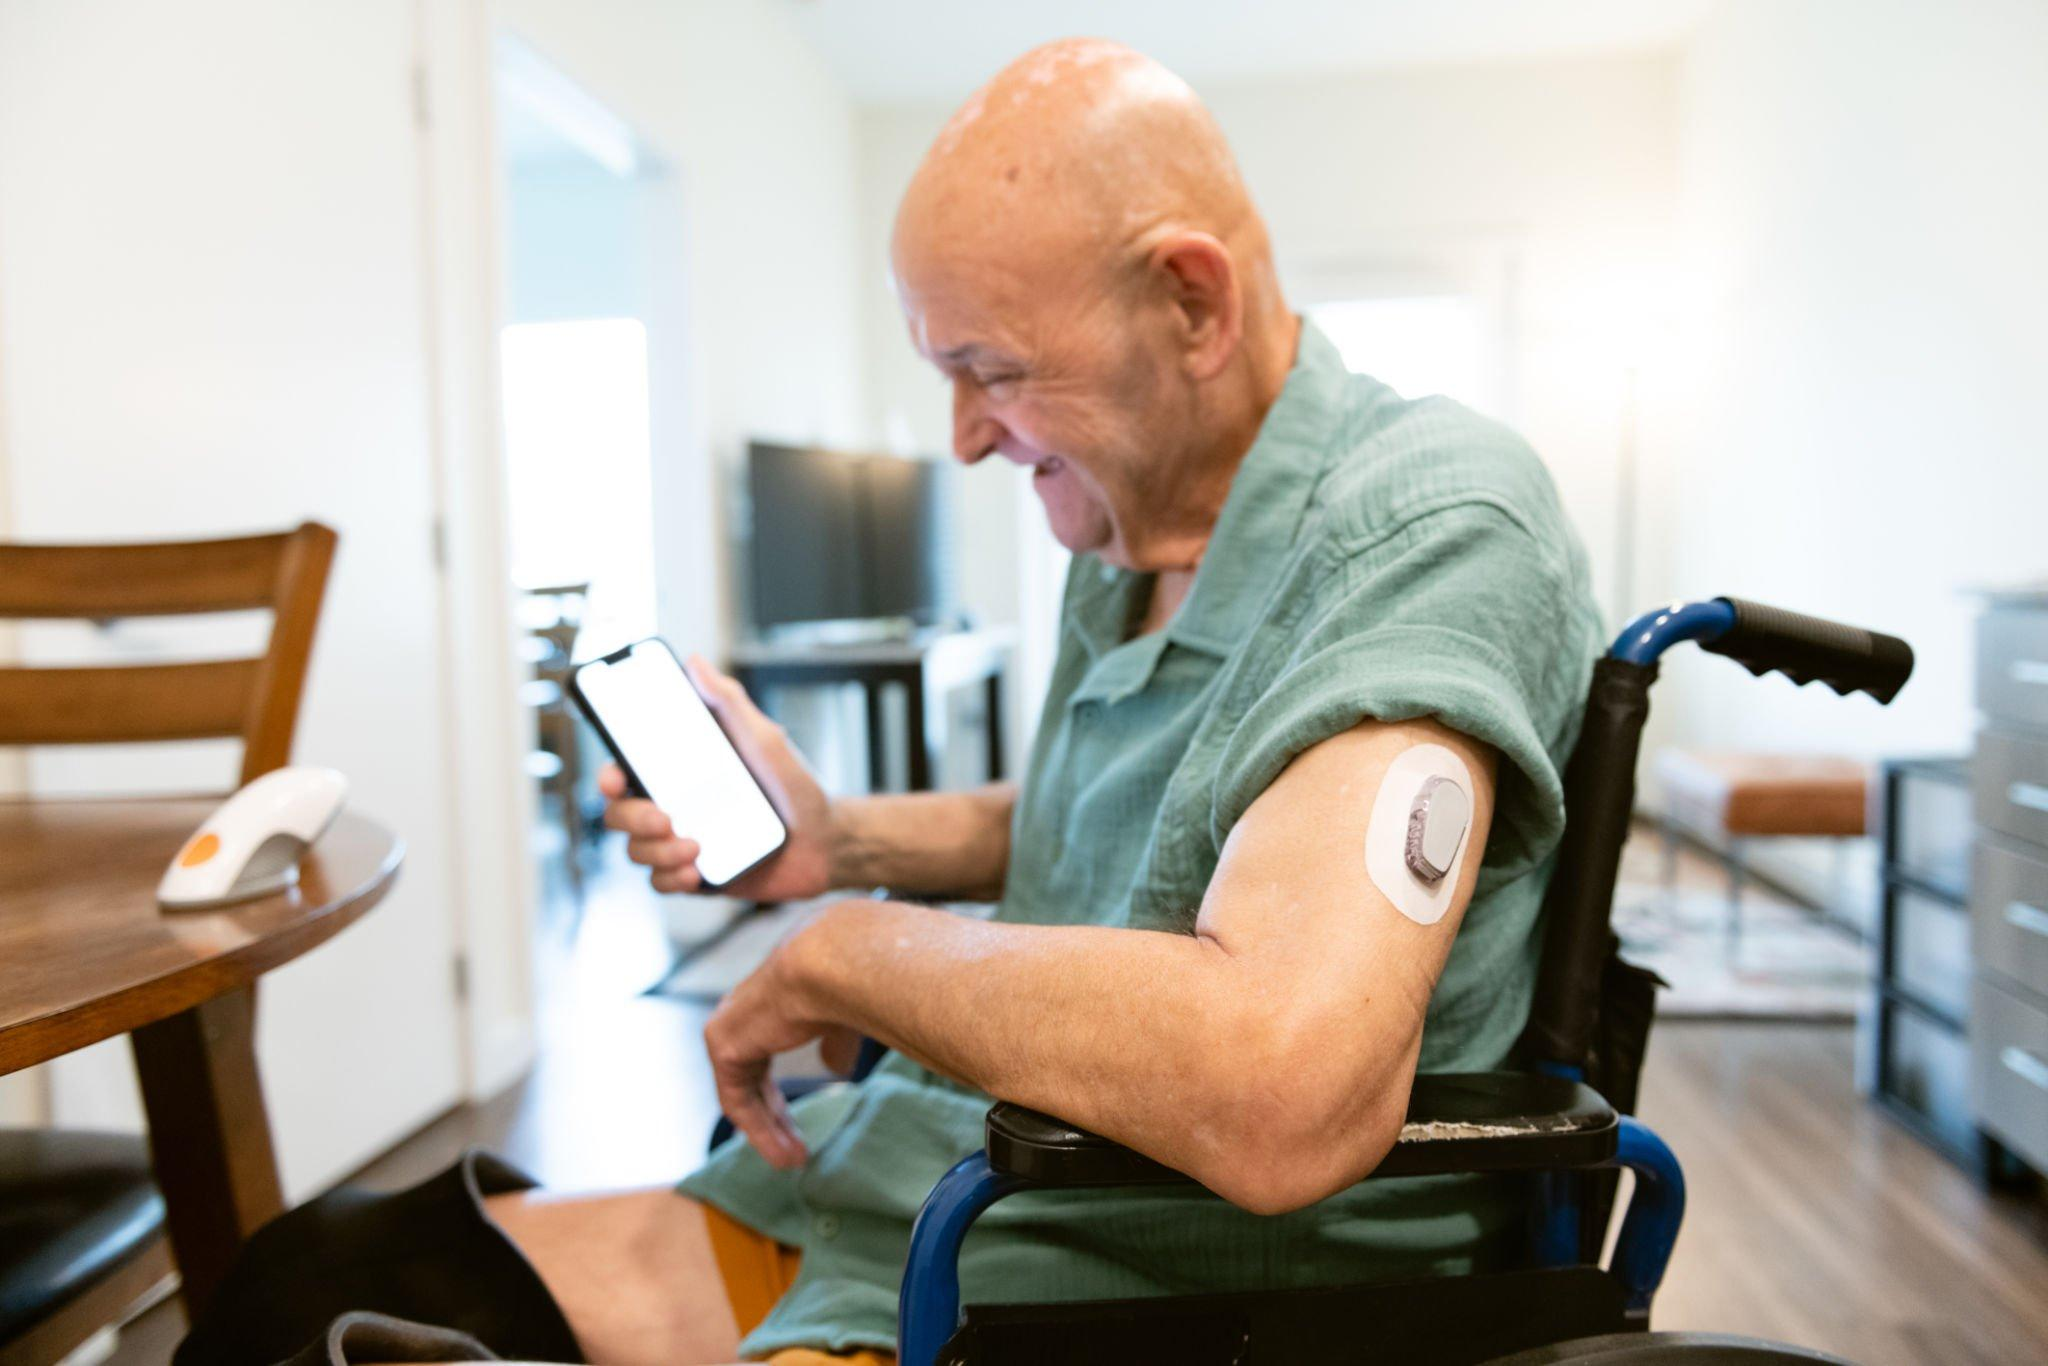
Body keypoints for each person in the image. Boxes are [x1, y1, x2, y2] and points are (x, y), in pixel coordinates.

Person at [174, 35, 1600, 1366]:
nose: (970, 436)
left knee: (308, 1327)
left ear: (1193, 301)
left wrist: (851, 950)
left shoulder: (1428, 523)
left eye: (993, 371)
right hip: (937, 1171)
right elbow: (1108, 822)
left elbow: (1283, 1080)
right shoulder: (1137, 533)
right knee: (306, 1270)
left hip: (1131, 1262)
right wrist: (834, 843)